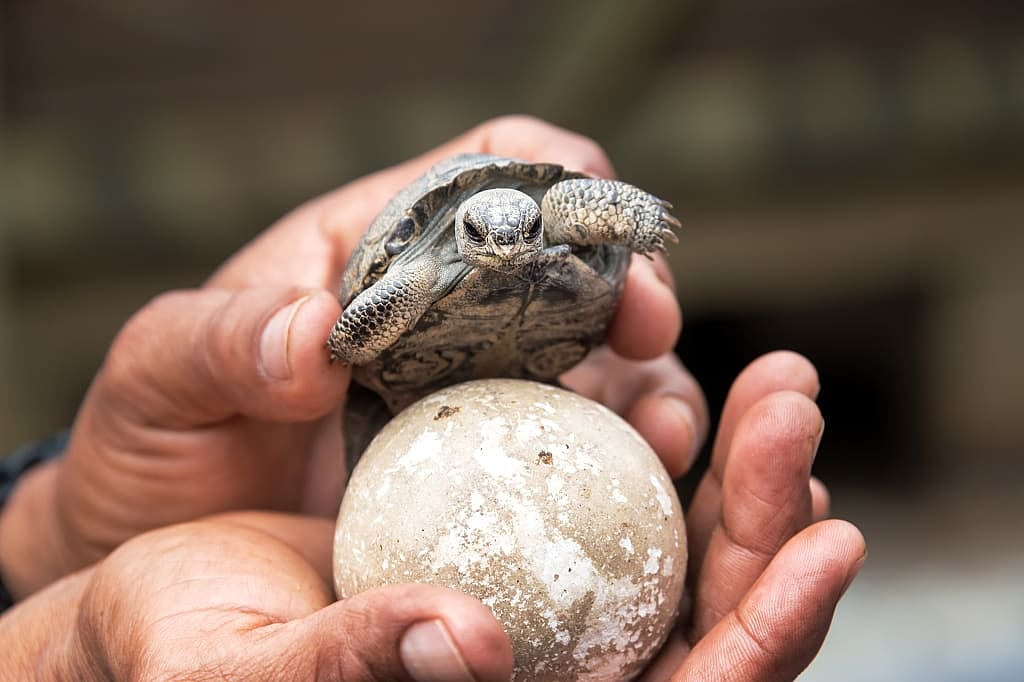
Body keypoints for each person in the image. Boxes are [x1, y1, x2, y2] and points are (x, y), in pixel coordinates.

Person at [0, 116, 865, 680]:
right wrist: (343, 337)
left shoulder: (549, 213)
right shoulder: (423, 266)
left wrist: (626, 217)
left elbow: (579, 208)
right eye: (487, 235)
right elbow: (360, 326)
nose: (504, 248)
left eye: (521, 230)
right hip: (412, 378)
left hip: (531, 368)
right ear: (466, 230)